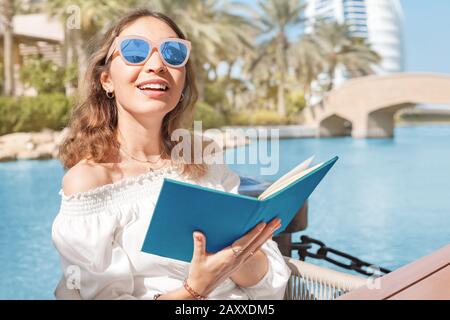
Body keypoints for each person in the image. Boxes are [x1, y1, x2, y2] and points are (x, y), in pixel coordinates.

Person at [51, 9, 291, 300]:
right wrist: (195, 289)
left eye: (173, 53)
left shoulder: (202, 154)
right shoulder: (89, 182)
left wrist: (235, 255)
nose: (156, 65)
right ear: (106, 80)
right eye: (135, 51)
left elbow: (270, 282)